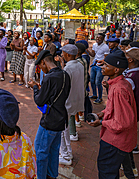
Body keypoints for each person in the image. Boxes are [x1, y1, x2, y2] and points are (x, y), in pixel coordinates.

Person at [88, 51, 137, 179]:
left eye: (106, 65)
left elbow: (122, 123)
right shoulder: (119, 84)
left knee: (106, 170)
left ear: (115, 70)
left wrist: (101, 122)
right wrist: (102, 113)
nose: (102, 67)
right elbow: (115, 108)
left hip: (115, 140)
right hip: (116, 139)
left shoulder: (119, 89)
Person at [29, 50, 71, 179]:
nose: (41, 69)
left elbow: (39, 100)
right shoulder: (64, 74)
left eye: (40, 66)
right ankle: (52, 175)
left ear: (43, 62)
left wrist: (35, 88)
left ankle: (41, 176)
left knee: (41, 153)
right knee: (53, 151)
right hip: (61, 120)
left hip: (49, 121)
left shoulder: (49, 78)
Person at [121, 47, 139, 177]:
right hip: (137, 110)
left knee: (125, 142)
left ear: (130, 60)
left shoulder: (130, 78)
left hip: (129, 113)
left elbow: (124, 98)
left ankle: (131, 169)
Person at [56, 44, 84, 165]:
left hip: (67, 101)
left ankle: (66, 155)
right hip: (76, 99)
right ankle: (67, 152)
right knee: (65, 128)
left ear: (67, 54)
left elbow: (64, 83)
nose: (62, 55)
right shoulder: (80, 65)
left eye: (63, 53)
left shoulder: (69, 68)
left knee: (62, 129)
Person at [86, 33, 110, 104]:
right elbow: (93, 55)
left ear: (103, 39)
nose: (97, 39)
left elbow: (106, 59)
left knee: (98, 82)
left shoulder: (106, 47)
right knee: (92, 81)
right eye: (97, 38)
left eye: (99, 38)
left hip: (100, 66)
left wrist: (100, 62)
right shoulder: (94, 45)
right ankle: (94, 95)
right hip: (94, 65)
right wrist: (87, 51)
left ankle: (100, 98)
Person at [75, 43, 92, 125]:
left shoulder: (77, 63)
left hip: (78, 87)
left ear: (77, 52)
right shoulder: (83, 60)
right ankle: (80, 114)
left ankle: (77, 121)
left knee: (75, 104)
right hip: (83, 86)